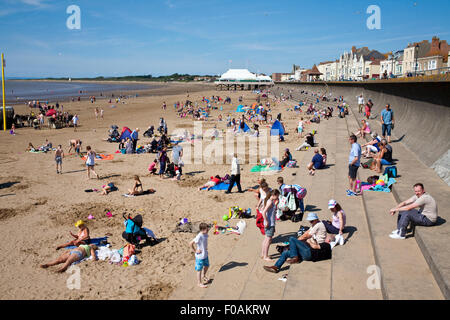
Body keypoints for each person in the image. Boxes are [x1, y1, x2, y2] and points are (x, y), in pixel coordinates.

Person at [263, 212, 330, 273]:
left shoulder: (319, 225)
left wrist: (296, 242)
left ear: (316, 219)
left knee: (292, 239)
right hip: (307, 251)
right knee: (285, 253)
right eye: (310, 221)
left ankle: (295, 258)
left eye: (312, 221)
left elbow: (307, 235)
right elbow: (306, 233)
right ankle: (276, 267)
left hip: (311, 251)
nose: (310, 222)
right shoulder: (314, 225)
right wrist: (296, 242)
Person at [261, 190, 280, 262]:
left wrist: (276, 204)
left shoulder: (269, 201)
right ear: (274, 195)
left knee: (266, 239)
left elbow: (269, 211)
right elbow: (264, 212)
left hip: (269, 223)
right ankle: (265, 256)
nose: (278, 197)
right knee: (268, 240)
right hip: (269, 224)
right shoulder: (270, 202)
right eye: (277, 196)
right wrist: (267, 221)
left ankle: (263, 254)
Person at [190, 223, 210, 288]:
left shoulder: (205, 234)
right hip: (199, 256)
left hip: (205, 254)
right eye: (207, 230)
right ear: (202, 230)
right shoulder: (199, 236)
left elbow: (205, 240)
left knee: (207, 266)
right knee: (199, 270)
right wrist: (195, 250)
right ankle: (199, 283)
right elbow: (190, 243)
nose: (208, 230)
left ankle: (203, 276)